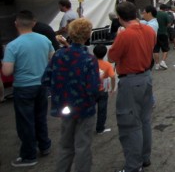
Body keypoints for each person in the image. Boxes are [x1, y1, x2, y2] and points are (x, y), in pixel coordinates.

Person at [42, 18, 99, 172]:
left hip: (64, 105)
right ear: (88, 35)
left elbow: (46, 79)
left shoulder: (59, 55)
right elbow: (93, 88)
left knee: (65, 144)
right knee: (83, 145)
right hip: (84, 107)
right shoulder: (89, 59)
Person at [108, 1, 156, 172]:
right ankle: (145, 158)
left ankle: (133, 166)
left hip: (130, 80)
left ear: (120, 18)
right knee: (144, 120)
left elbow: (112, 56)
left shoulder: (125, 34)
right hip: (146, 76)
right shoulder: (149, 30)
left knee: (130, 124)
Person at [2, 10, 54, 167]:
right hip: (41, 85)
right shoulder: (44, 39)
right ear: (34, 22)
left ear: (16, 24)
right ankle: (44, 146)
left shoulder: (13, 45)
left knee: (26, 121)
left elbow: (6, 71)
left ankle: (29, 155)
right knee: (40, 117)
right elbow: (53, 59)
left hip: (24, 87)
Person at [93, 44, 116, 134]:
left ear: (94, 53)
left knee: (90, 108)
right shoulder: (107, 65)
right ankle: (100, 128)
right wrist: (112, 88)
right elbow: (113, 77)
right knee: (102, 110)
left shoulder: (91, 63)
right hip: (103, 89)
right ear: (105, 54)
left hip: (92, 89)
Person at [154, 4, 171, 70]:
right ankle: (163, 62)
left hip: (155, 33)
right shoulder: (165, 14)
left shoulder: (155, 14)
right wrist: (165, 27)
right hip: (163, 33)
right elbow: (169, 23)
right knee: (165, 49)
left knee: (155, 49)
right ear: (165, 8)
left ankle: (157, 64)